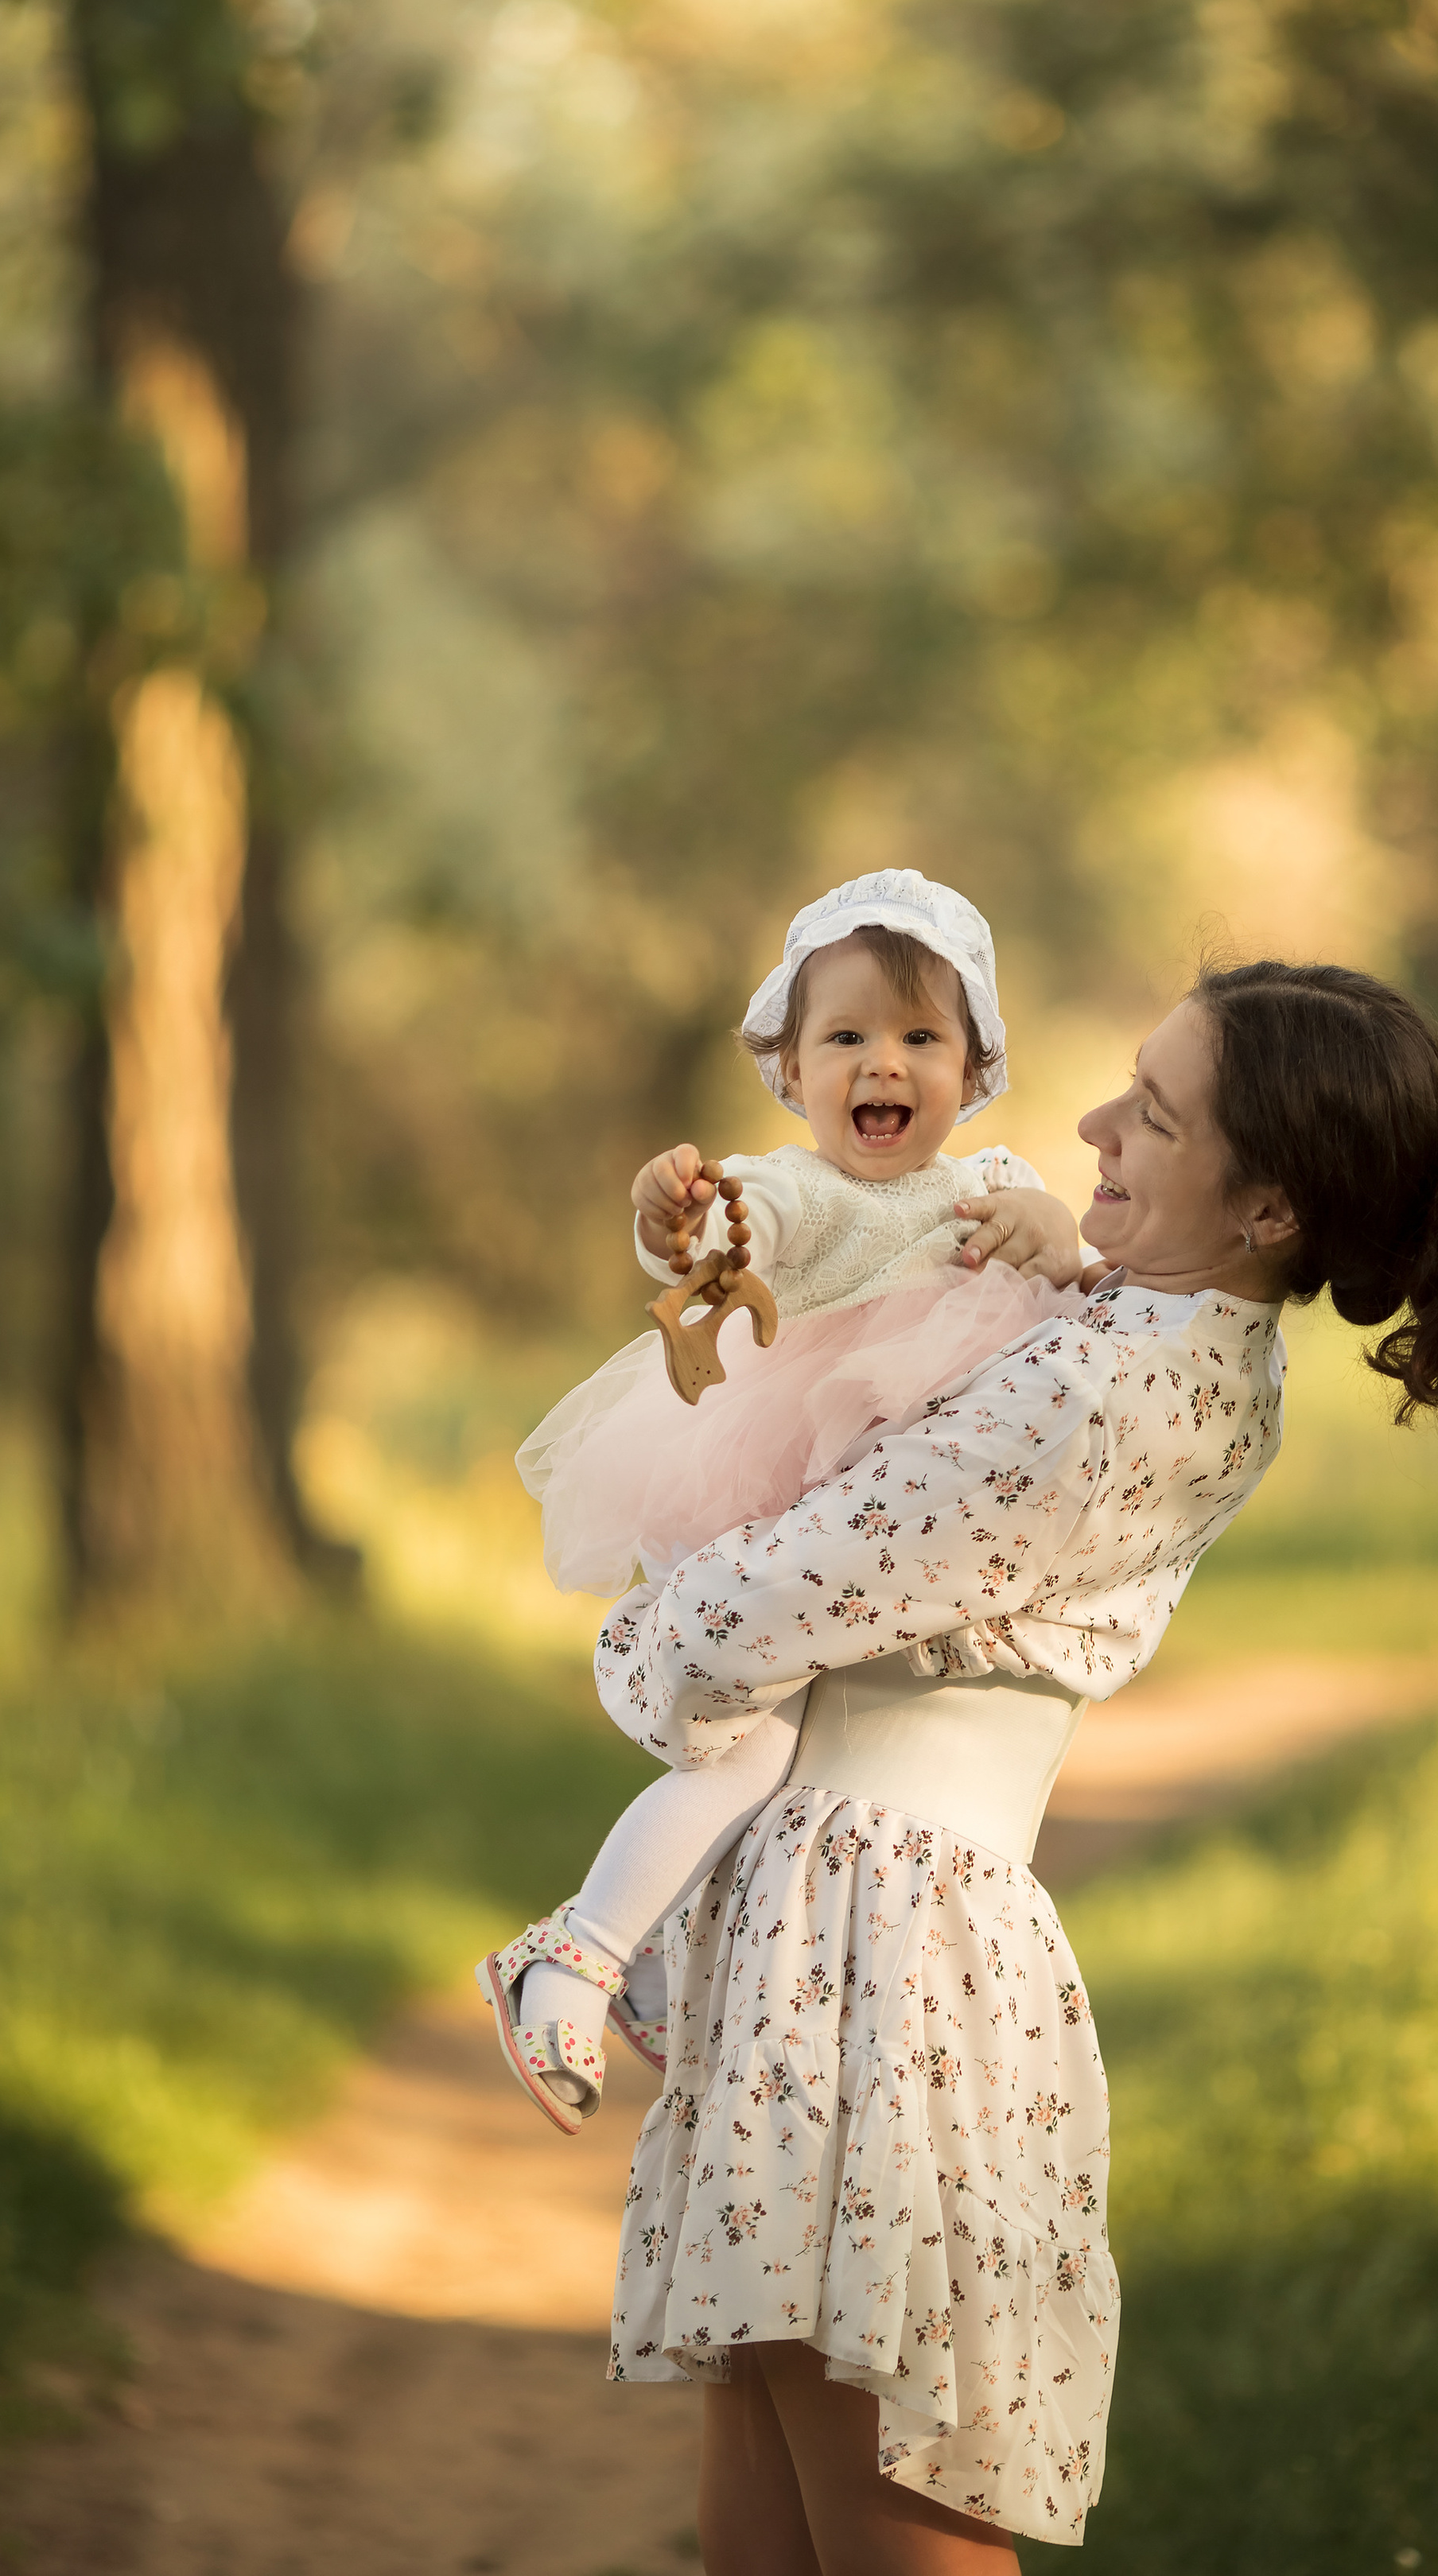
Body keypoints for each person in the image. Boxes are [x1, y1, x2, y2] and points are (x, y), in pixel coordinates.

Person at [590, 960, 1438, 2572]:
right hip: (831, 1919)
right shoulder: (1143, 1332)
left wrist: (637, 1624)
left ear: (1268, 1209)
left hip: (884, 1953)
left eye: (1152, 1114)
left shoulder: (1093, 1394)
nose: (1089, 1128)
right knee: (770, 2499)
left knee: (885, 2517)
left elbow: (718, 1634)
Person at [480, 871, 1086, 2127]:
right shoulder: (801, 1191)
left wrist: (1048, 1224)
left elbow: (1061, 1254)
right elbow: (729, 1234)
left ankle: (654, 1964)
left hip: (887, 1525)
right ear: (794, 1069)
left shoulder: (992, 1181)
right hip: (775, 1495)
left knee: (809, 1766)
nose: (884, 1064)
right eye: (846, 1036)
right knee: (752, 1750)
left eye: (921, 1037)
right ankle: (576, 1954)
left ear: (973, 1069)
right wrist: (681, 1216)